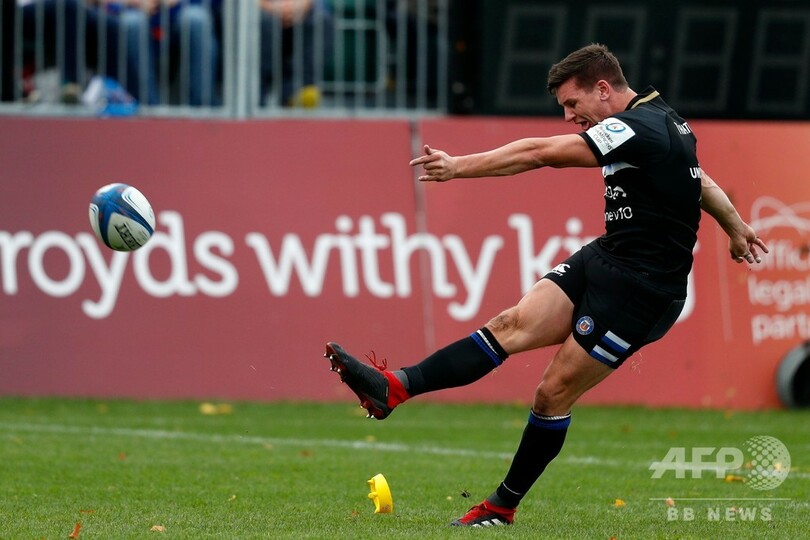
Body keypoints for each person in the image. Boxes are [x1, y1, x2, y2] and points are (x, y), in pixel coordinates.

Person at [324, 43, 769, 527]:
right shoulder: (663, 121)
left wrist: (458, 167)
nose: (569, 117)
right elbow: (699, 180)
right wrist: (736, 226)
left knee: (551, 394)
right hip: (608, 257)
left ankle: (501, 506)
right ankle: (394, 388)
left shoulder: (639, 126)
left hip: (643, 291)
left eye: (572, 103)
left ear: (603, 89)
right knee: (510, 324)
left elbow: (539, 153)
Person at [259, 0, 334, 107]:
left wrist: (301, 4)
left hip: (301, 9)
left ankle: (299, 90)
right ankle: (256, 97)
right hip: (261, 11)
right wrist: (271, 8)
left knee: (321, 18)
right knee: (264, 22)